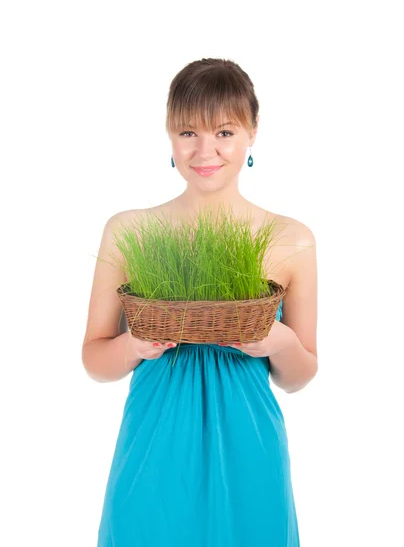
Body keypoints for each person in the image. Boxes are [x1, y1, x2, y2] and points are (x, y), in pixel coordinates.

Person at [82, 57, 318, 546]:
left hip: (250, 447)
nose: (205, 150)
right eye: (188, 132)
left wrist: (277, 340)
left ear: (253, 133)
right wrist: (134, 346)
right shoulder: (129, 231)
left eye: (225, 132)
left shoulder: (291, 240)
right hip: (151, 447)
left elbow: (300, 376)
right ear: (169, 136)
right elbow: (95, 359)